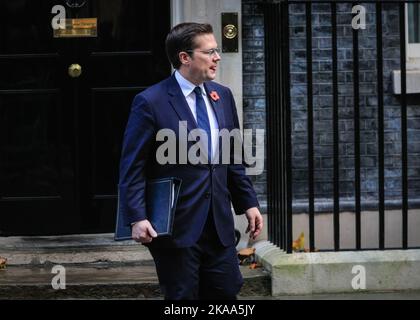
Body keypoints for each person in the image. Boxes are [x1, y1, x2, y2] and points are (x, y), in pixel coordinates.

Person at [118, 22, 263, 300]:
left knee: (226, 292)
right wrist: (136, 217)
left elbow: (232, 157)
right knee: (183, 298)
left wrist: (248, 202)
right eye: (210, 52)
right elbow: (132, 166)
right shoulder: (150, 101)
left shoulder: (222, 96)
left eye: (217, 51)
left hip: (218, 225)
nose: (217, 57)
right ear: (185, 58)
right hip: (176, 227)